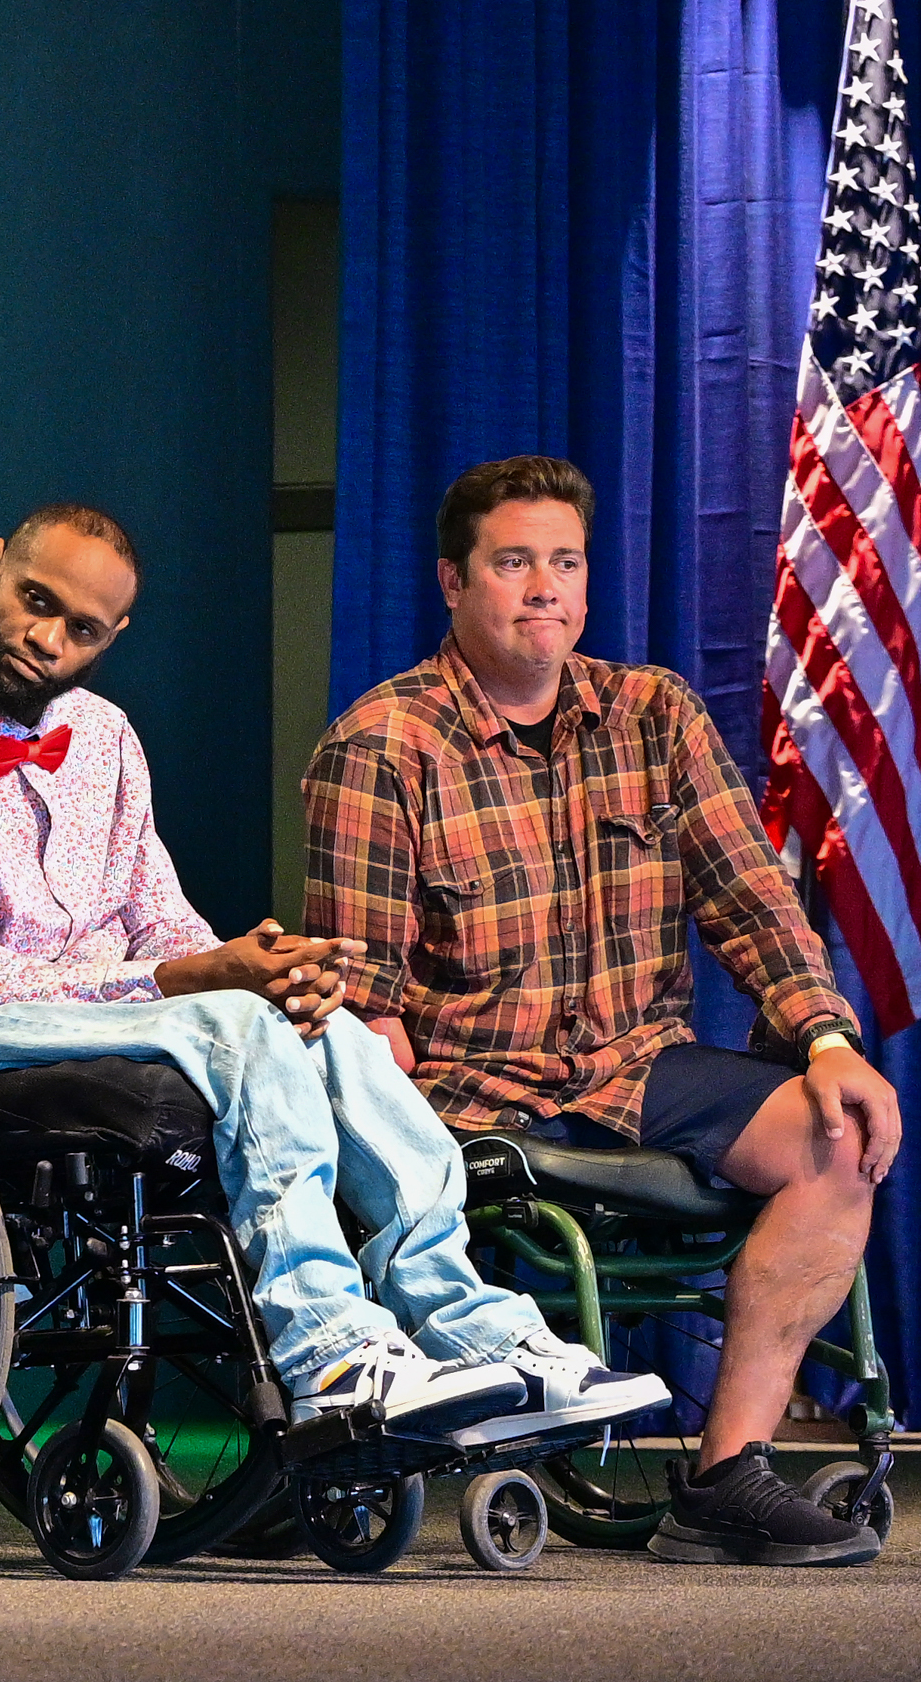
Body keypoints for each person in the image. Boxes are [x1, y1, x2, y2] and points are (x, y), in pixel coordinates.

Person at [0, 502, 665, 1445]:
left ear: (116, 636)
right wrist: (196, 984)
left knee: (333, 1029)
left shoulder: (103, 735)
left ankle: (479, 1331)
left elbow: (158, 919)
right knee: (239, 1026)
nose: (46, 640)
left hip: (120, 1015)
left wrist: (260, 971)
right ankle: (330, 1351)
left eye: (83, 629)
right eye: (35, 601)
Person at [308, 454, 899, 1566]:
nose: (544, 588)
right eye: (513, 561)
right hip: (471, 1090)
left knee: (840, 1136)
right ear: (452, 580)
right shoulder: (381, 747)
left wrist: (824, 1037)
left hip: (637, 1066)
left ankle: (725, 1475)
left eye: (565, 563)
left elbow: (749, 896)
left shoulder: (652, 715)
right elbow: (363, 1008)